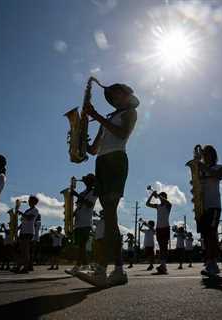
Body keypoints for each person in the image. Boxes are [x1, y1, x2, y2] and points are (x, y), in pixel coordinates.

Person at [75, 80, 138, 288]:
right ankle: (118, 270)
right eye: (111, 96)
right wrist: (80, 140)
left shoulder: (130, 113)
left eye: (117, 93)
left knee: (110, 215)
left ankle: (103, 269)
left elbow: (122, 134)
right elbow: (93, 150)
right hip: (101, 162)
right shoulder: (109, 117)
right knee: (110, 217)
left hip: (117, 161)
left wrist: (96, 116)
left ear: (126, 94)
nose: (114, 98)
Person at [197, 145, 222, 277]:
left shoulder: (219, 167)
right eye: (204, 154)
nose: (206, 156)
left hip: (214, 205)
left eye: (208, 153)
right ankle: (208, 262)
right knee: (205, 237)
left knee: (211, 235)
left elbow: (219, 176)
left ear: (213, 155)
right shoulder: (200, 170)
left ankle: (213, 263)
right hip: (202, 207)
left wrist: (203, 167)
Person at [66, 174, 97, 276]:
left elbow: (89, 205)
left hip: (86, 222)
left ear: (92, 182)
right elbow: (79, 206)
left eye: (87, 180)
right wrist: (71, 215)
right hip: (78, 222)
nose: (85, 181)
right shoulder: (83, 192)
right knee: (80, 245)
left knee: (82, 245)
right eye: (85, 180)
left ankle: (77, 266)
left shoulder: (93, 192)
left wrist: (77, 195)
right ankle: (85, 265)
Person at [146, 191, 172, 275]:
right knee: (161, 248)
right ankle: (163, 266)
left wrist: (158, 196)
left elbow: (167, 202)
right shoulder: (158, 206)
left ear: (165, 197)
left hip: (165, 227)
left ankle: (163, 266)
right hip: (158, 228)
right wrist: (152, 195)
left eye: (162, 197)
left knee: (164, 247)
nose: (161, 198)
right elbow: (147, 204)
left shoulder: (168, 205)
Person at [13, 196, 39, 274]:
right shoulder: (27, 210)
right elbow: (23, 220)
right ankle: (18, 267)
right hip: (23, 231)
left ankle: (25, 268)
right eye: (29, 200)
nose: (29, 202)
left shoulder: (35, 210)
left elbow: (29, 218)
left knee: (25, 250)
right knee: (22, 250)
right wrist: (18, 228)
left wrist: (20, 213)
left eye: (30, 200)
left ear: (34, 202)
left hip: (29, 231)